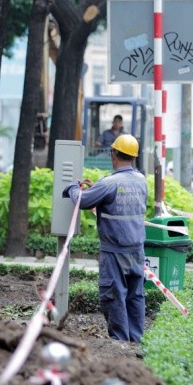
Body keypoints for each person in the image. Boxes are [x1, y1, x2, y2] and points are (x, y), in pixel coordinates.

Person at [63, 134, 147, 342]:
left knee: (114, 296)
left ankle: (120, 342)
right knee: (135, 296)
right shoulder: (141, 180)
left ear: (114, 154)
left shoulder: (110, 183)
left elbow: (81, 200)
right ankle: (136, 342)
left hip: (114, 252)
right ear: (134, 157)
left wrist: (73, 187)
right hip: (136, 250)